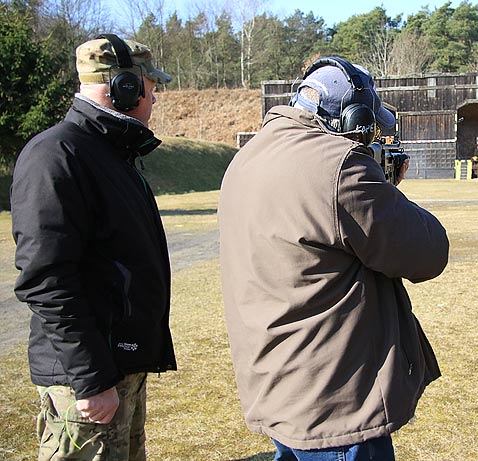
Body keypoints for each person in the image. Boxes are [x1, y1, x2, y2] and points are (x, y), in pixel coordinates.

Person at [218, 56, 449, 460]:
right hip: (336, 403)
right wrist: (382, 188)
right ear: (351, 116)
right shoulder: (339, 168)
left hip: (280, 383)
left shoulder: (248, 157)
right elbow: (428, 252)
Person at [11, 34, 176, 461]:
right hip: (89, 382)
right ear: (125, 86)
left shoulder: (109, 152)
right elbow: (46, 280)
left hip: (118, 372)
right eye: (151, 87)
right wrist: (91, 378)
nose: (154, 99)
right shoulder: (57, 155)